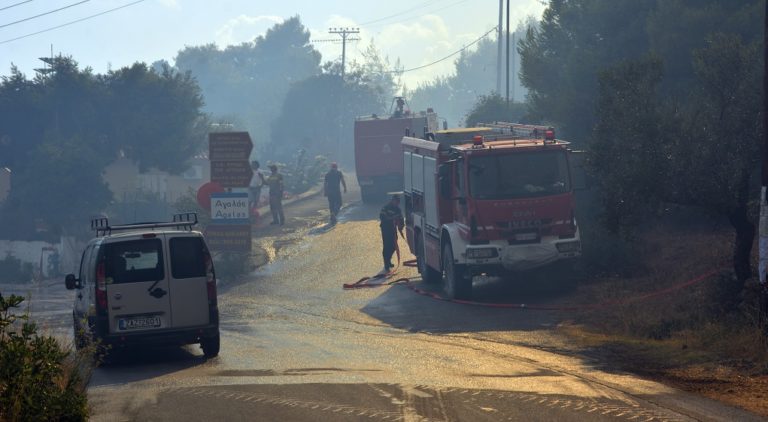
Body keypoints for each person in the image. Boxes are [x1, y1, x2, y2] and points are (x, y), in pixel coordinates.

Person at [379, 194, 404, 274]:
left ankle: (388, 259)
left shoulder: (398, 210)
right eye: (396, 201)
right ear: (392, 200)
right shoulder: (386, 207)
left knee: (394, 246)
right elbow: (382, 216)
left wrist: (400, 227)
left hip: (393, 230)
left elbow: (401, 219)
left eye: (398, 202)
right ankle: (386, 263)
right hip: (386, 229)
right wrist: (392, 219)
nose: (397, 203)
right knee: (387, 246)